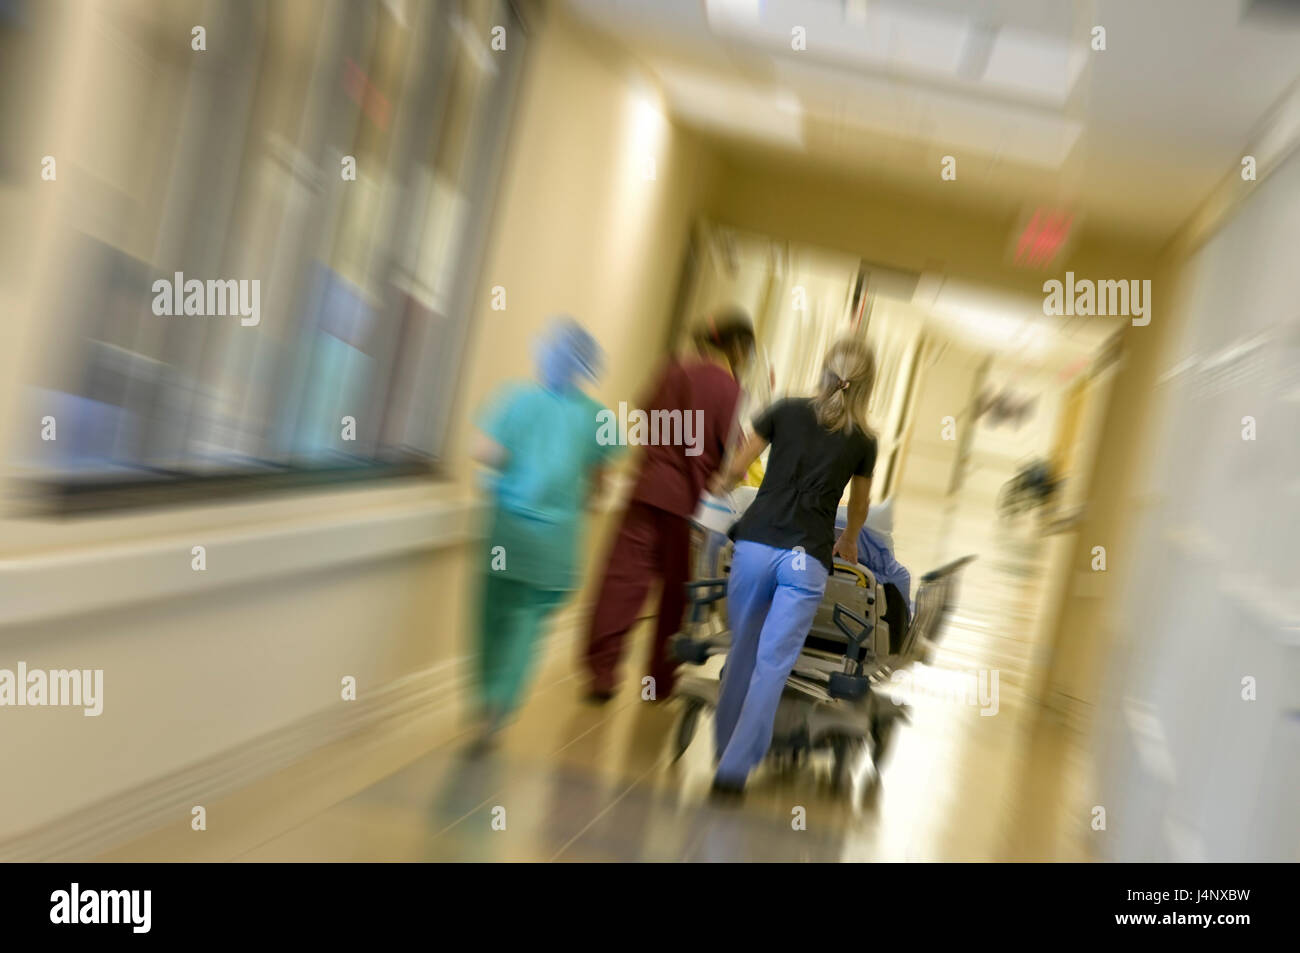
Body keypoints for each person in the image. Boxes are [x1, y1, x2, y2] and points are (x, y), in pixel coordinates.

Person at [707, 337, 878, 796]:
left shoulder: (783, 409)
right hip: (806, 560)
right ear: (867, 386)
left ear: (824, 370)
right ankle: (734, 773)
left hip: (757, 545)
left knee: (742, 651)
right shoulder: (863, 441)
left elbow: (737, 469)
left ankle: (723, 747)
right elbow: (858, 507)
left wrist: (719, 485)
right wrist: (849, 539)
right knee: (773, 664)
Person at [583, 308, 755, 703]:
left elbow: (644, 420)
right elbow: (735, 457)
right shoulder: (731, 391)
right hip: (692, 509)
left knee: (623, 583)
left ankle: (602, 673)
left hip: (646, 493)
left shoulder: (672, 371)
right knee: (675, 597)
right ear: (739, 348)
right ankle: (658, 685)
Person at [470, 316, 615, 752]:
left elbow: (485, 453)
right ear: (587, 366)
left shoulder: (514, 399)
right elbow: (600, 483)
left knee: (491, 620)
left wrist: (513, 470)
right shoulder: (599, 418)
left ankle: (484, 699)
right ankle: (499, 708)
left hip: (505, 534)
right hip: (554, 541)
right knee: (526, 625)